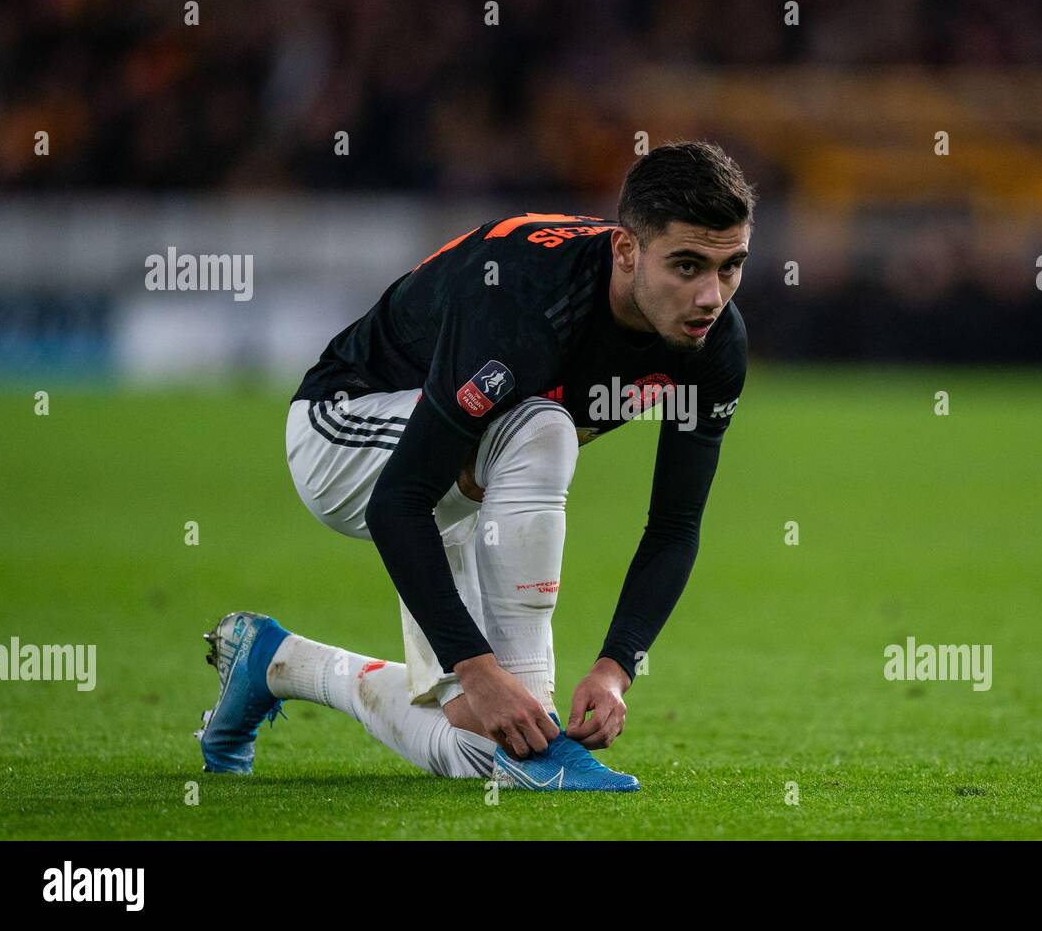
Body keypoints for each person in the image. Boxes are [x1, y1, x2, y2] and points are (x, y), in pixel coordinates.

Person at [196, 141, 754, 790]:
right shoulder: (524, 298)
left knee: (480, 753)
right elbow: (398, 499)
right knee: (541, 425)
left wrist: (614, 666)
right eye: (687, 266)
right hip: (344, 435)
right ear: (627, 250)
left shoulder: (714, 346)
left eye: (731, 266)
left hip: (459, 473)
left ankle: (274, 662)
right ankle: (539, 727)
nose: (711, 295)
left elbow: (675, 525)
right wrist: (477, 670)